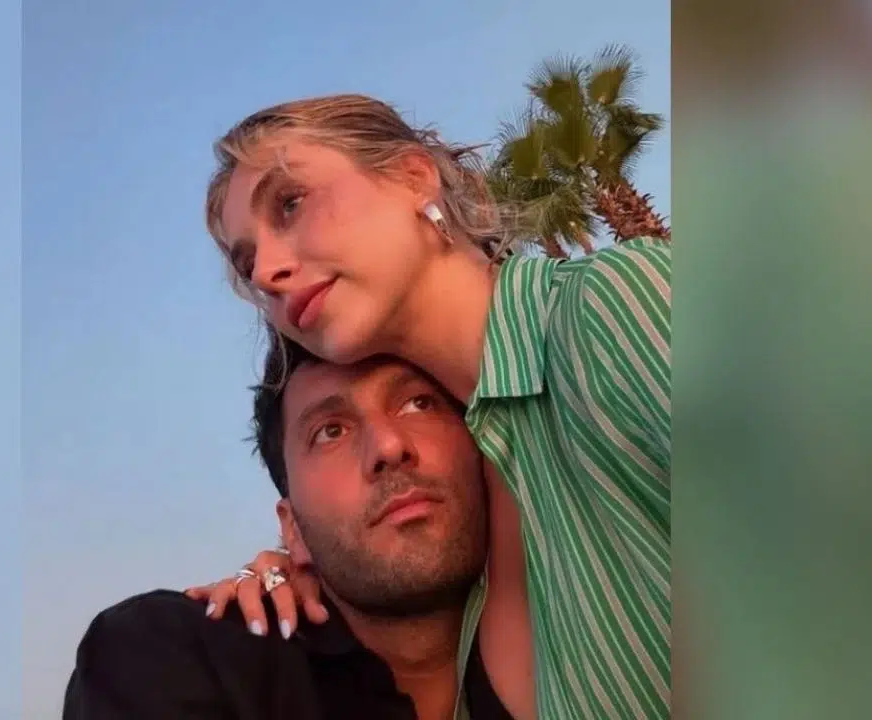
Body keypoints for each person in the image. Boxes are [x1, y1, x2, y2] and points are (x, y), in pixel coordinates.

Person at [188, 94, 672, 719]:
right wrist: (311, 576)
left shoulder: (610, 309)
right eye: (247, 259)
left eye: (290, 203)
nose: (267, 272)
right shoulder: (487, 483)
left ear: (414, 177)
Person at [63, 346, 512, 719]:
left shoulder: (553, 640)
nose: (388, 447)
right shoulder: (171, 656)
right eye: (330, 432)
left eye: (418, 403)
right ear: (292, 529)